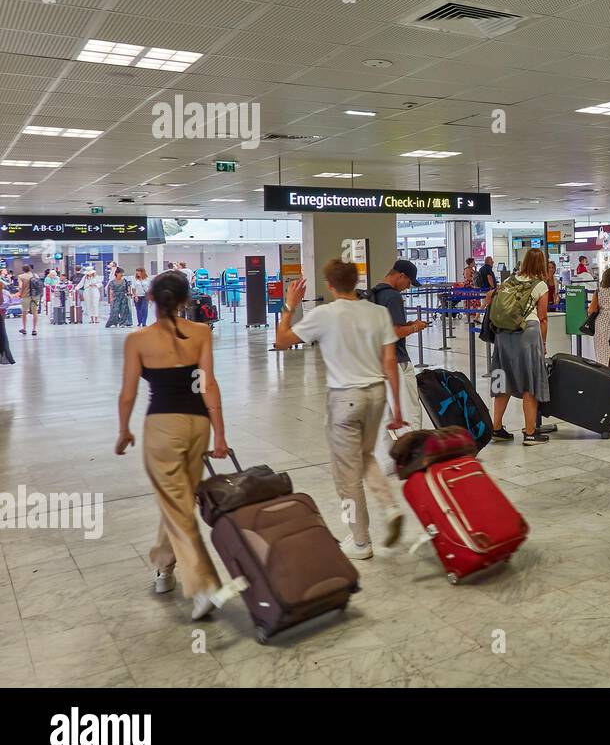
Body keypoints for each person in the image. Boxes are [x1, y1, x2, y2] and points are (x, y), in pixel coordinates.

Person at [115, 271, 245, 619]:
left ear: (151, 299)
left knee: (176, 505)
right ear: (186, 300)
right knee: (179, 501)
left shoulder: (137, 340)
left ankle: (203, 586)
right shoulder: (201, 333)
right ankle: (164, 566)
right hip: (198, 425)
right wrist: (219, 433)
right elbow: (208, 385)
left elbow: (128, 393)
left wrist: (123, 431)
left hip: (162, 427)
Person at [275, 260, 406, 559]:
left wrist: (289, 305)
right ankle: (390, 506)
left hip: (344, 399)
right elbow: (389, 362)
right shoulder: (378, 313)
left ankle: (359, 541)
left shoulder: (325, 314)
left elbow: (281, 341)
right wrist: (396, 407)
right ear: (357, 281)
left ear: (330, 285)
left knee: (346, 477)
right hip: (376, 396)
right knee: (366, 456)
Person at [485, 247, 550, 445]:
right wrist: (544, 343)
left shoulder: (508, 281)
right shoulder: (540, 285)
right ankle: (530, 432)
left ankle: (496, 428)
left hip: (503, 335)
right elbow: (543, 317)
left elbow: (491, 299)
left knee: (501, 380)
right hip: (527, 335)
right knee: (529, 382)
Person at [369, 259, 428, 440]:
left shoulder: (374, 293)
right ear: (400, 276)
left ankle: (396, 451)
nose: (408, 287)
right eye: (409, 282)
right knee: (410, 411)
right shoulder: (393, 296)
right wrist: (415, 327)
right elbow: (394, 332)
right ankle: (413, 452)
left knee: (389, 414)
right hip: (397, 361)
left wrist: (406, 325)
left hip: (377, 361)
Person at [588, 266, 610, 372]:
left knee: (602, 355)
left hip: (601, 324)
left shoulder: (599, 291)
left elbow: (592, 310)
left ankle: (603, 378)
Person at [17, 264, 40, 335]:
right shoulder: (35, 275)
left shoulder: (21, 276)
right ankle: (34, 329)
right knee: (35, 312)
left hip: (25, 296)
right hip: (35, 296)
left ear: (23, 270)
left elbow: (20, 287)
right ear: (30, 269)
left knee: (24, 312)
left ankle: (24, 328)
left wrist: (20, 294)